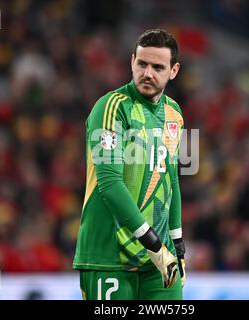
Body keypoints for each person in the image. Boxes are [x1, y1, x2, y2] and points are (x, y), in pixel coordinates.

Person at [73, 29, 186, 300]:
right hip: (108, 255)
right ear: (131, 61)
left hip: (159, 258)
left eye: (158, 67)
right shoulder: (111, 107)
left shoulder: (174, 114)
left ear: (174, 71)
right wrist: (154, 245)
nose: (148, 73)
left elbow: (170, 178)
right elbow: (109, 183)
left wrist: (178, 245)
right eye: (142, 64)